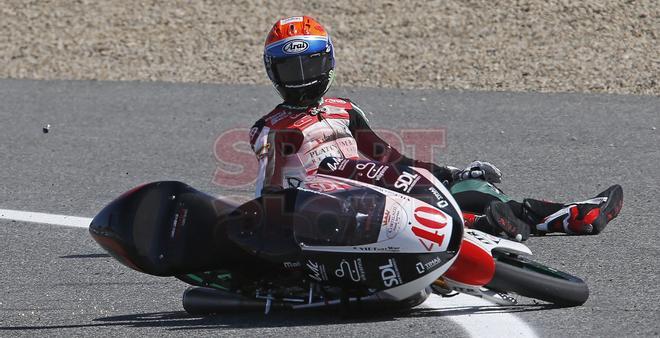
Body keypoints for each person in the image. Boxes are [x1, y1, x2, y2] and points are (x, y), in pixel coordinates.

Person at [249, 16, 622, 241]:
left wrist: (453, 173)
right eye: (291, 70)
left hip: (377, 185)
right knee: (411, 199)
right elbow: (270, 194)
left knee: (473, 189)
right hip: (330, 211)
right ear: (273, 72)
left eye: (309, 66)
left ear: (327, 62)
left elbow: (389, 158)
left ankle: (572, 214)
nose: (301, 79)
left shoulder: (343, 110)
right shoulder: (270, 128)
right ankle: (483, 226)